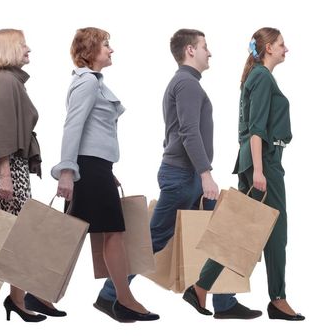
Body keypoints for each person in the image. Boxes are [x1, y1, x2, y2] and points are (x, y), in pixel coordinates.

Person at [94, 29, 261, 320]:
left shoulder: (185, 83)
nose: (210, 52)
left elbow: (176, 133)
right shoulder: (186, 84)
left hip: (187, 174)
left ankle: (223, 301)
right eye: (205, 47)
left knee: (217, 234)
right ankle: (110, 296)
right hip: (184, 176)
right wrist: (205, 173)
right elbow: (188, 132)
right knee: (156, 238)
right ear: (190, 51)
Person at [187, 27, 304, 321]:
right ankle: (277, 299)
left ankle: (201, 287)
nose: (285, 49)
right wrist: (260, 172)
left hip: (257, 162)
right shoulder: (262, 77)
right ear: (267, 48)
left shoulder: (257, 77)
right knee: (276, 233)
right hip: (264, 163)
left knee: (240, 229)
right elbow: (256, 130)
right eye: (281, 44)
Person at [52, 27, 158, 322]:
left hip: (95, 167)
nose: (111, 50)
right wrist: (67, 172)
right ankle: (124, 300)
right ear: (90, 50)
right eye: (106, 45)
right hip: (85, 168)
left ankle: (39, 291)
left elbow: (91, 131)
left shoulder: (93, 83)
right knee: (111, 232)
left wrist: (105, 169)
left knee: (77, 235)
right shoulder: (86, 82)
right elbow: (72, 127)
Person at [0, 28, 63, 322]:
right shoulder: (4, 82)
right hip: (7, 166)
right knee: (15, 236)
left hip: (13, 165)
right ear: (10, 49)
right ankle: (18, 299)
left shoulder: (11, 81)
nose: (28, 49)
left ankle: (22, 296)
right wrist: (4, 176)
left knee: (19, 235)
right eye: (23, 44)